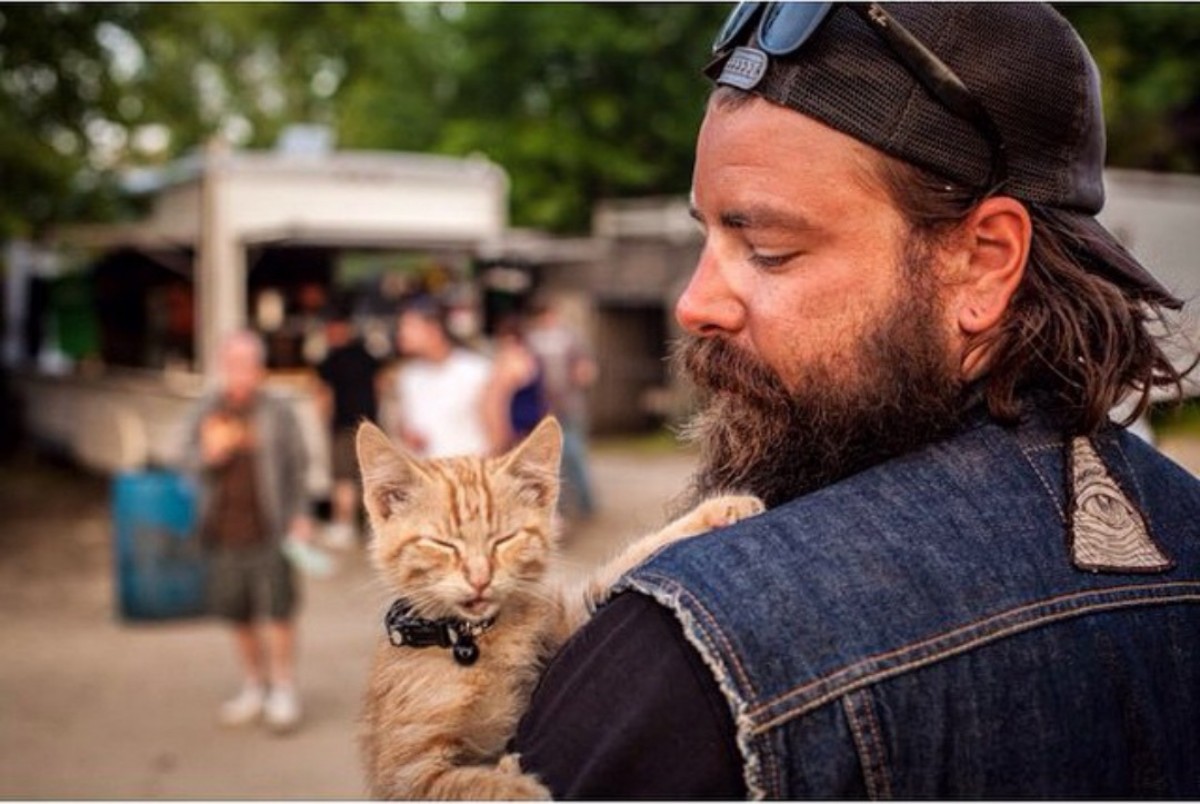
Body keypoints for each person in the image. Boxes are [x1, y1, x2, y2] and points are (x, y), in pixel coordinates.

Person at [512, 4, 1200, 798]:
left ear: (983, 262)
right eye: (707, 236)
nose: (695, 303)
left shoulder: (699, 656)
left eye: (768, 249)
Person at [182, 329, 313, 733]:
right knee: (237, 613)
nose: (241, 372)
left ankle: (284, 688)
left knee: (279, 611)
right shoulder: (207, 409)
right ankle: (255, 684)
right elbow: (183, 459)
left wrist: (301, 514)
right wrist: (208, 455)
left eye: (248, 364)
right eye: (233, 364)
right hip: (222, 528)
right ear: (223, 367)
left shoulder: (277, 410)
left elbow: (299, 464)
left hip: (271, 527)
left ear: (260, 369)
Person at [314, 301, 381, 549]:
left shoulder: (329, 360)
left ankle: (343, 526)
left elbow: (323, 397)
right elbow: (380, 386)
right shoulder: (366, 355)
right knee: (369, 479)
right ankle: (372, 529)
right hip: (371, 428)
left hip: (343, 426)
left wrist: (323, 424)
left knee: (342, 479)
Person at [392, 295, 492, 458]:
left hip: (471, 471)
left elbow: (496, 429)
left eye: (409, 326)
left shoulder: (477, 370)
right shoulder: (408, 376)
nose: (401, 333)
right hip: (428, 472)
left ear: (434, 329)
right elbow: (407, 426)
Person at [526, 294, 599, 518]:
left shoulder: (571, 337)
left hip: (570, 405)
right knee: (551, 461)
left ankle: (586, 504)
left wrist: (583, 374)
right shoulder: (531, 340)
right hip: (543, 408)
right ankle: (561, 506)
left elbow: (586, 367)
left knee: (575, 454)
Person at [483, 313, 548, 454]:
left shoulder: (513, 360)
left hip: (521, 428)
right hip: (522, 428)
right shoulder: (520, 359)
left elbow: (495, 403)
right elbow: (495, 404)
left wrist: (500, 435)